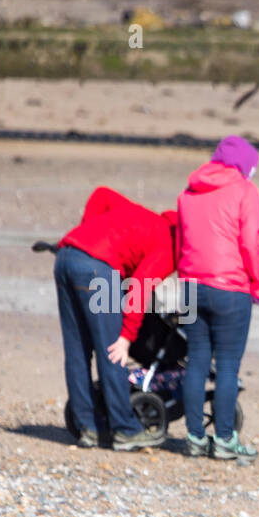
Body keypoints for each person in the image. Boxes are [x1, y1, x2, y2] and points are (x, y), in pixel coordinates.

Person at [54, 187, 176, 449]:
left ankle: (89, 426)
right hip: (98, 268)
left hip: (66, 255)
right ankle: (124, 428)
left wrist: (87, 234)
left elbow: (102, 196)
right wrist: (126, 336)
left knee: (77, 352)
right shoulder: (171, 246)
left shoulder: (145, 217)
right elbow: (140, 288)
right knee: (113, 352)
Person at [176, 135, 259, 462]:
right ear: (244, 165)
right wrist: (258, 285)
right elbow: (251, 243)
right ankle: (225, 439)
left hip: (189, 287)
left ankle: (194, 438)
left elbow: (181, 242)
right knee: (227, 366)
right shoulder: (245, 191)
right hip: (230, 289)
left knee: (195, 360)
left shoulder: (187, 192)